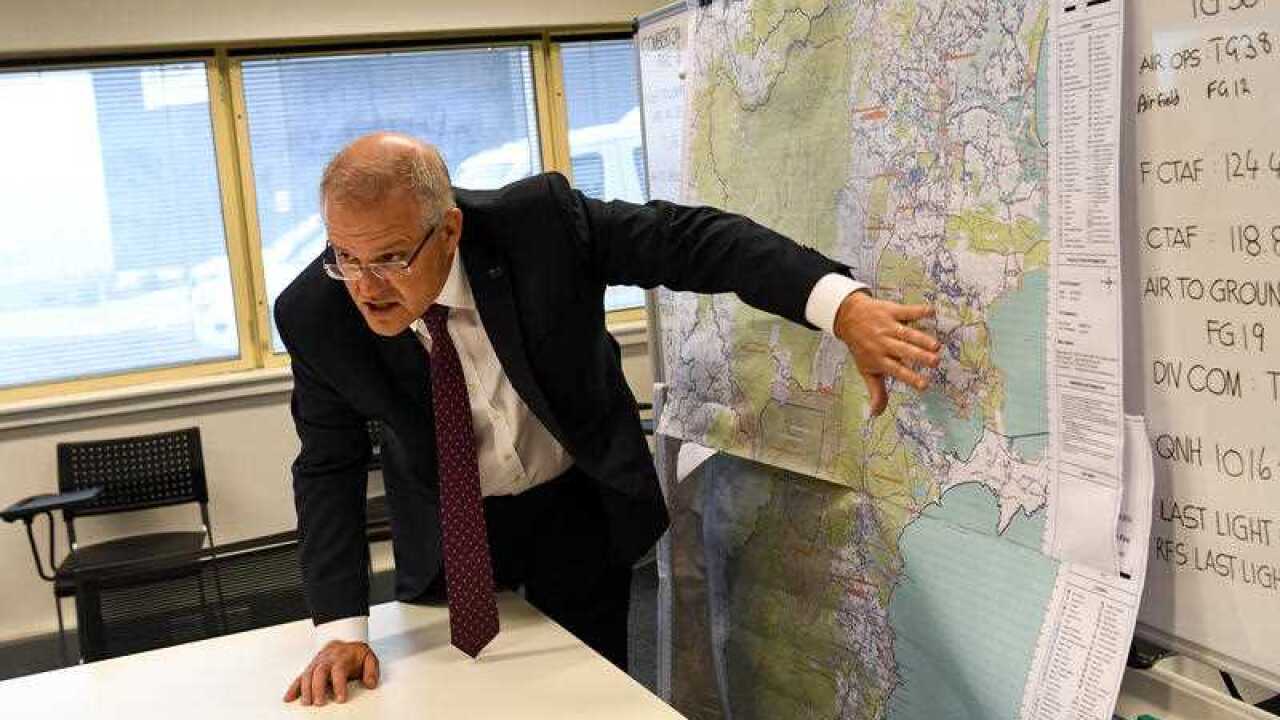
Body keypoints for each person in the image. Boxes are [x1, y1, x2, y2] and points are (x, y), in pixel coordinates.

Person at [278, 133, 941, 706]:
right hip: (453, 530)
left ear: (449, 230)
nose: (366, 287)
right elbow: (328, 467)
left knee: (591, 696)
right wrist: (340, 631)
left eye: (390, 257)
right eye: (345, 258)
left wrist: (842, 308)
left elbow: (694, 243)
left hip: (576, 510)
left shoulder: (538, 227)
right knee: (465, 701)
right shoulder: (316, 314)